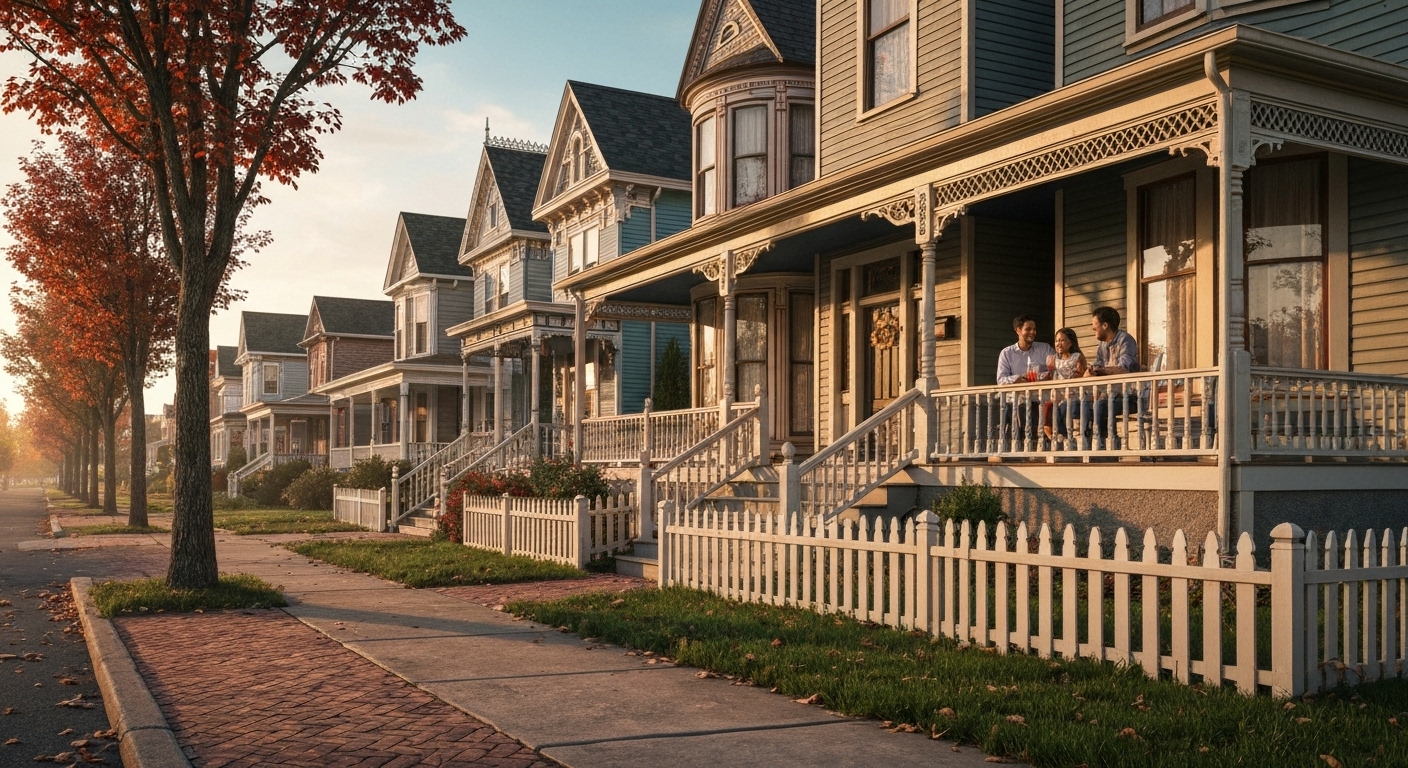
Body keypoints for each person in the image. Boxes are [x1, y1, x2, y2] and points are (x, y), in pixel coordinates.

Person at [1082, 306, 1141, 448]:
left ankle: (1104, 446)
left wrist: (1101, 371)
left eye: (1094, 324)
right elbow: (1097, 365)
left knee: (1101, 406)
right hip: (1108, 395)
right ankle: (1086, 446)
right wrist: (1091, 371)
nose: (1092, 328)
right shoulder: (1102, 345)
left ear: (1105, 325)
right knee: (1084, 404)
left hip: (1129, 396)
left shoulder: (1126, 340)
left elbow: (1124, 368)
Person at [994, 315, 1054, 447]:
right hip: (1017, 400)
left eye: (1034, 329)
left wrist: (1041, 376)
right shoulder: (1007, 353)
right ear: (1018, 330)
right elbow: (1001, 380)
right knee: (1020, 407)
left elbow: (1055, 369)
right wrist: (1018, 379)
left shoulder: (1044, 349)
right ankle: (1022, 444)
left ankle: (1038, 444)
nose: (1032, 332)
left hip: (1040, 398)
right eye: (1028, 329)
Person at [1043, 327, 1087, 440]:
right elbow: (1051, 377)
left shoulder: (1077, 357)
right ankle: (1058, 437)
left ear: (1070, 343)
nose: (1058, 344)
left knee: (1065, 408)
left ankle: (1069, 438)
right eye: (1056, 341)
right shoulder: (1054, 359)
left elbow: (1081, 375)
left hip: (1074, 394)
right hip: (1058, 395)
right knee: (1049, 408)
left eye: (1062, 340)